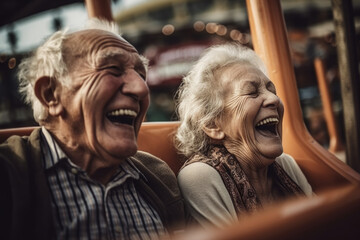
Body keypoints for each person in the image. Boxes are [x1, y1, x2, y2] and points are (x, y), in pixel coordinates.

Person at [0, 19, 185, 240]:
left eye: (141, 75)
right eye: (113, 69)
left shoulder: (157, 175)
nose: (141, 88)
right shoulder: (8, 175)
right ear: (51, 95)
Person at [175, 43, 313, 229]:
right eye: (252, 92)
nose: (274, 99)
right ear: (212, 124)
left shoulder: (285, 164)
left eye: (272, 91)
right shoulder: (200, 176)